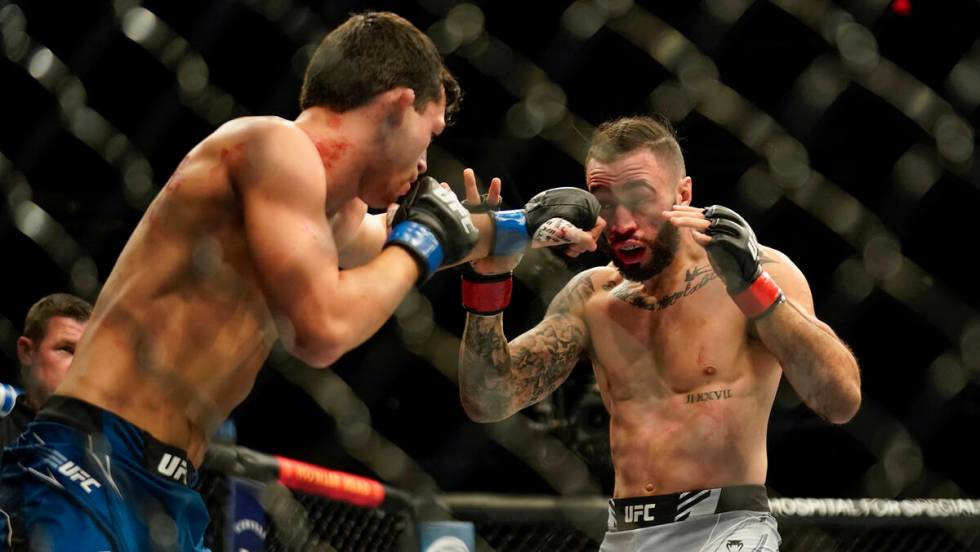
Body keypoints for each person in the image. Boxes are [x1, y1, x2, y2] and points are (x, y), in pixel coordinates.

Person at [0, 11, 601, 551]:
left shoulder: (330, 214)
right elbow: (322, 330)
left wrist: (532, 224)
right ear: (396, 107)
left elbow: (404, 241)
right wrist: (425, 238)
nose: (426, 164)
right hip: (90, 461)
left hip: (170, 490)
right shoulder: (271, 146)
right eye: (431, 131)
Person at [457, 115, 861, 551]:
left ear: (682, 193)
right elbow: (488, 399)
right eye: (604, 202)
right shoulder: (593, 297)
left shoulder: (761, 273)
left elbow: (840, 401)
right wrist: (488, 278)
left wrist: (753, 288)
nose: (623, 221)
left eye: (639, 198)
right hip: (625, 534)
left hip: (727, 529)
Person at [0, 294, 92, 448]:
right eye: (66, 349)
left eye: (87, 354)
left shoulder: (116, 454)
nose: (80, 366)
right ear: (27, 351)